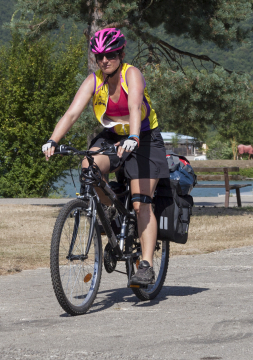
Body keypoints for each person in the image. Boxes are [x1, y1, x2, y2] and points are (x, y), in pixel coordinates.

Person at [42, 28, 170, 286]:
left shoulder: (131, 74)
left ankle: (145, 265)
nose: (104, 60)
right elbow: (71, 114)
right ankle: (111, 210)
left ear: (121, 54)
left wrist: (133, 137)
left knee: (141, 202)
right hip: (112, 136)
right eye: (99, 56)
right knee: (89, 166)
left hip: (143, 138)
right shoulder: (95, 80)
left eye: (110, 55)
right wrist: (53, 140)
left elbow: (135, 107)